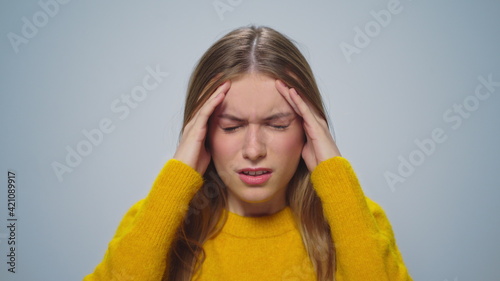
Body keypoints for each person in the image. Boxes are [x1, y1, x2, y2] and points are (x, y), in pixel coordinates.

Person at [84, 26, 413, 281]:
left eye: (278, 124)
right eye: (230, 127)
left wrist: (336, 177)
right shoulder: (151, 222)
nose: (254, 150)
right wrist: (175, 180)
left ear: (308, 131)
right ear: (202, 134)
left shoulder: (358, 219)